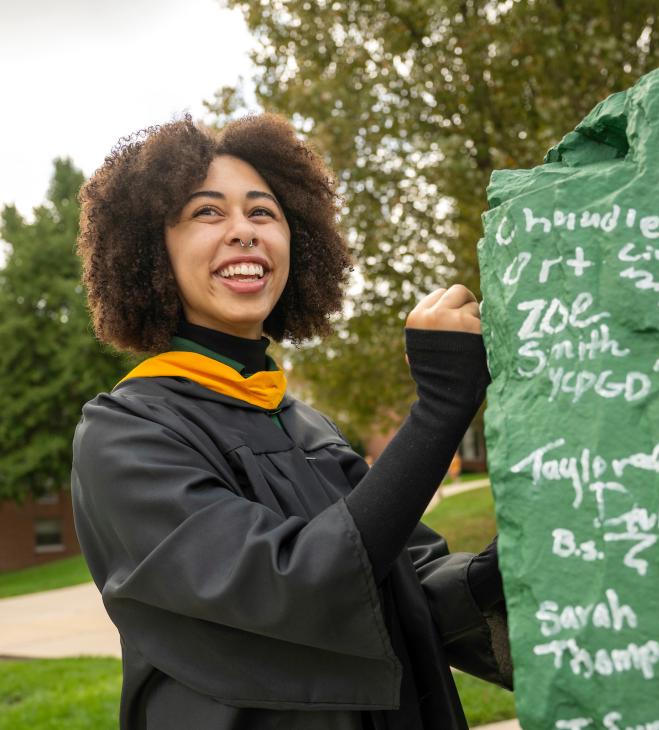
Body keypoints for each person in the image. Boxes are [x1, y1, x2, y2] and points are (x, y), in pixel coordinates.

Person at [71, 114, 512, 730]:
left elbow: (407, 585)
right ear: (151, 249)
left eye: (263, 212)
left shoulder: (304, 425)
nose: (243, 232)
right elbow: (296, 585)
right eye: (207, 213)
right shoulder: (128, 433)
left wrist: (518, 559)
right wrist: (439, 410)